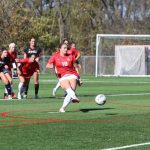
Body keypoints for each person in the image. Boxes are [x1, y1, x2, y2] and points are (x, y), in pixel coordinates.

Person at [46, 42, 80, 113]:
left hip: (72, 74)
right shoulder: (55, 56)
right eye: (64, 48)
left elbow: (75, 66)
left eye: (66, 48)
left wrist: (79, 78)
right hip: (62, 76)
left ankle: (62, 108)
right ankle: (75, 97)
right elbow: (48, 65)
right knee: (69, 90)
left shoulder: (70, 56)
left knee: (71, 91)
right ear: (60, 49)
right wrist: (54, 66)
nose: (66, 49)